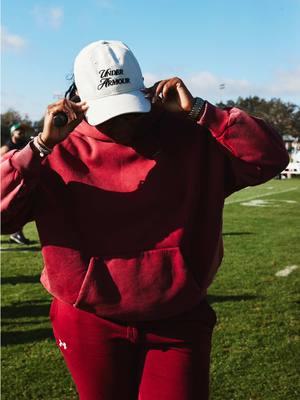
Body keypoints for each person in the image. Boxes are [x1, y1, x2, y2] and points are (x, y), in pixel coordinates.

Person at [0, 40, 289, 400]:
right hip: (89, 320)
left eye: (128, 108)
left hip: (178, 315)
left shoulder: (187, 134)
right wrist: (40, 147)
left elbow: (270, 157)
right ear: (78, 101)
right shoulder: (57, 147)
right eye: (109, 112)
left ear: (145, 92)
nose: (122, 123)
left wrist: (204, 111)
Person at [1, 122, 31, 245]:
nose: (22, 133)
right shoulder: (7, 147)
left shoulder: (23, 145)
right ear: (13, 132)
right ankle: (16, 233)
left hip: (18, 181)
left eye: (23, 131)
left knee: (19, 208)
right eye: (19, 131)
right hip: (6, 183)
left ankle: (17, 233)